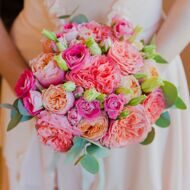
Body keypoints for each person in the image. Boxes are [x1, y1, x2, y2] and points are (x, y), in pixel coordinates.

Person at [0, 0, 190, 189]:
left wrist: (144, 78)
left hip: (149, 73)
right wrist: (31, 92)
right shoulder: (33, 89)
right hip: (31, 76)